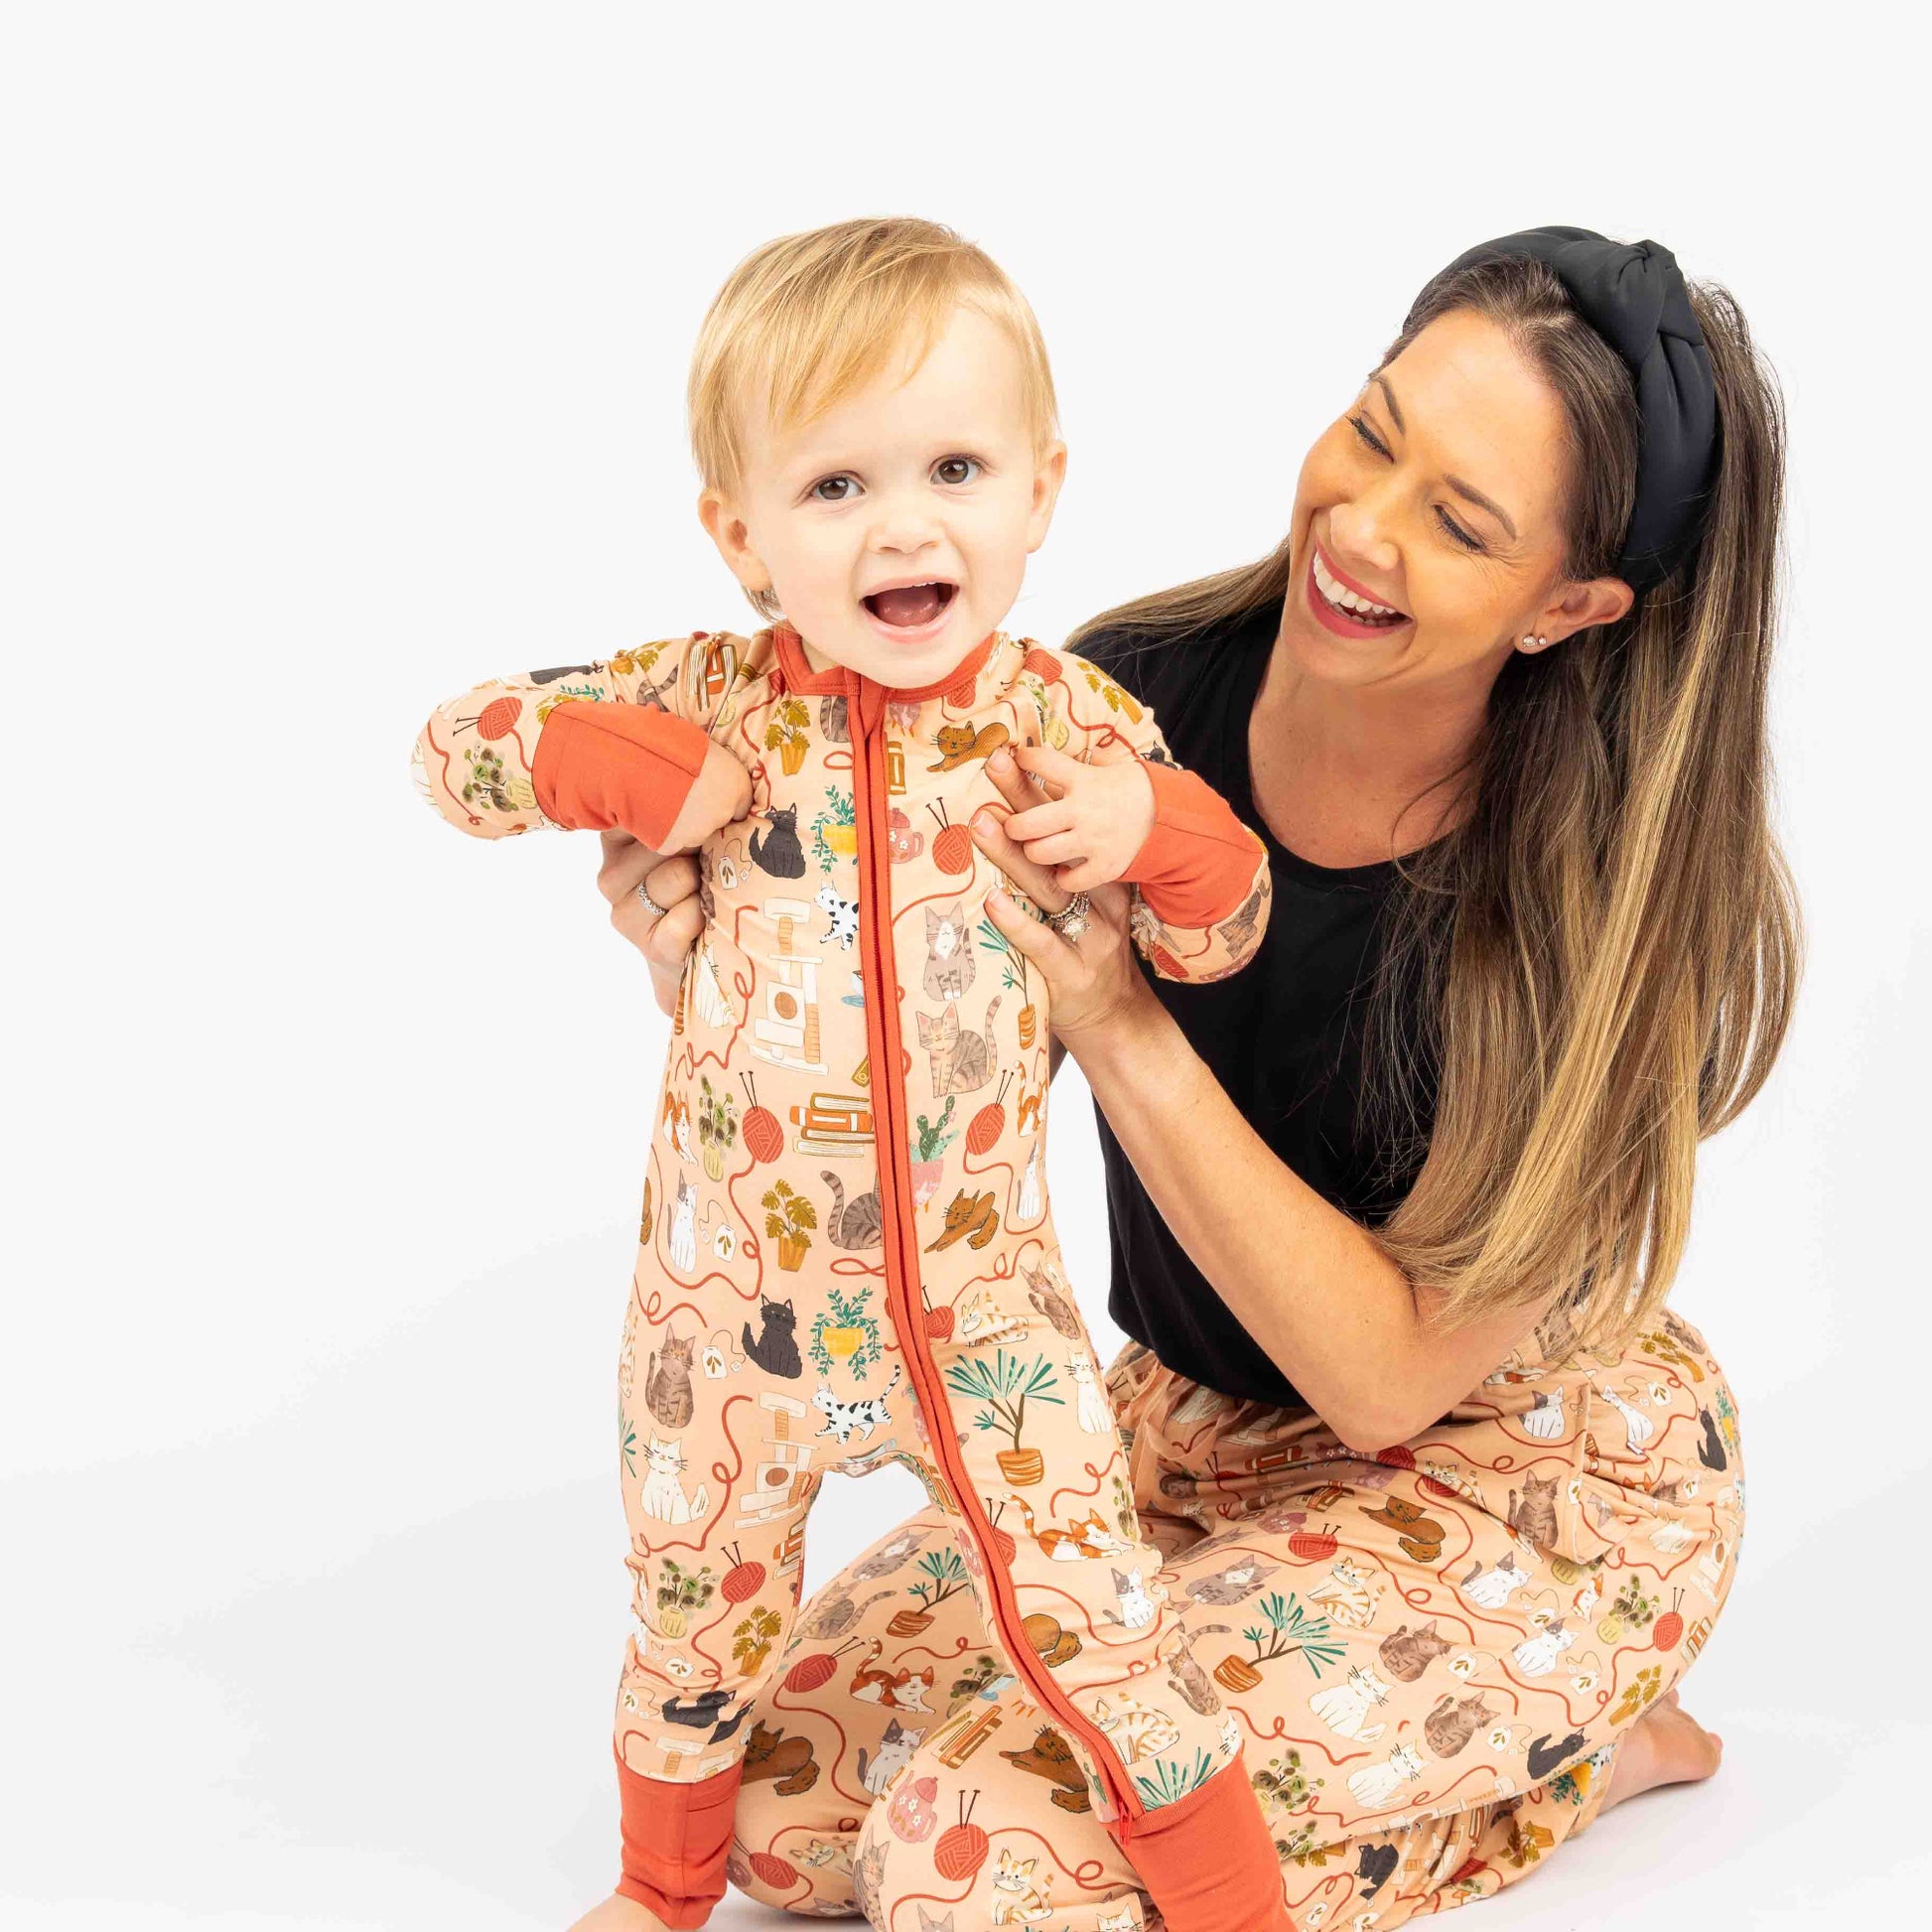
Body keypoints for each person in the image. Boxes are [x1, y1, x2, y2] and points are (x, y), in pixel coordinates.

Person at [604, 227, 1796, 1929]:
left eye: (1459, 521)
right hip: (1168, 1440)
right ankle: (1403, 1729)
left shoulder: (1603, 907)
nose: (1363, 530)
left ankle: (1569, 1744)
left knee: (967, 1856)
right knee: (791, 1811)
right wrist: (715, 933)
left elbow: (1385, 1382)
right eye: (1374, 431)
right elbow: (900, 1037)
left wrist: (1121, 1019)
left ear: (1569, 604)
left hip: (1496, 1473)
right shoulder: (1128, 699)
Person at [412, 216, 1293, 1932]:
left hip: (983, 1312)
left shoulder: (1069, 727)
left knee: (1097, 1616)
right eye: (832, 488)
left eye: (953, 466)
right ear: (739, 536)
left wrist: (1154, 831)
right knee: (693, 1599)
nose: (902, 523)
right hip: (724, 1310)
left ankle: (1234, 1909)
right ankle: (659, 1892)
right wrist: (626, 770)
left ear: (1039, 492)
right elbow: (455, 751)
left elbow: (1230, 926)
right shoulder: (715, 698)